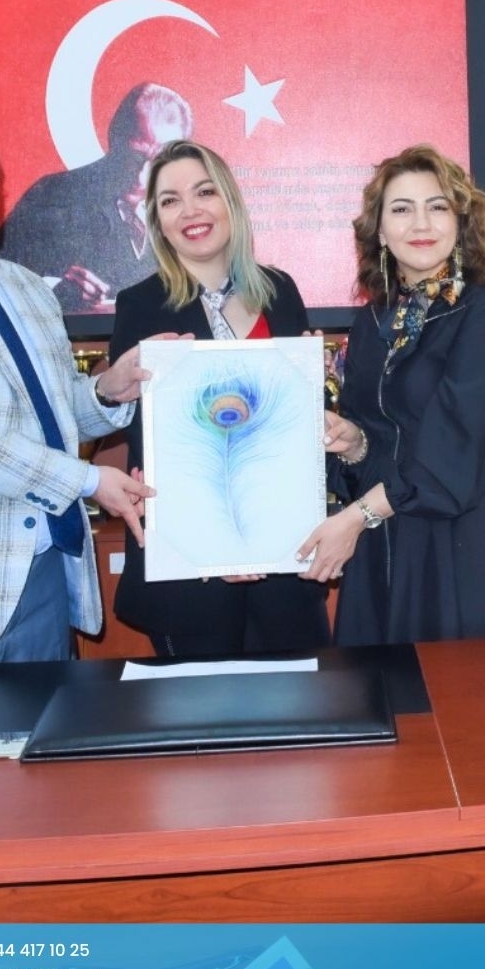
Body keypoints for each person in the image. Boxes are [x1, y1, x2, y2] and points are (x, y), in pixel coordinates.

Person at [0, 114, 153, 667]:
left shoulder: (28, 289)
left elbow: (51, 412)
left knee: (43, 725)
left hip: (45, 573)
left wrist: (107, 391)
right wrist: (89, 481)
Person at [298, 144, 485, 646]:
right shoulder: (371, 322)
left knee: (469, 692)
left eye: (437, 206)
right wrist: (354, 443)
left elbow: (454, 449)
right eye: (401, 209)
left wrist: (356, 517)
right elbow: (381, 438)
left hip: (466, 538)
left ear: (460, 222)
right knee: (385, 688)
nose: (421, 223)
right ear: (379, 231)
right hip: (387, 537)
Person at [109, 139, 330, 657]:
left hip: (284, 565)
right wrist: (219, 543)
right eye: (170, 200)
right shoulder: (140, 305)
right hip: (191, 577)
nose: (190, 210)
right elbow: (156, 443)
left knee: (301, 704)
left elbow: (296, 432)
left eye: (204, 192)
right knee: (201, 708)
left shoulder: (280, 291)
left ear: (230, 200)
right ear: (157, 221)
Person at [0, 82, 193, 312]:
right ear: (114, 138)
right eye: (134, 157)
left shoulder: (191, 212)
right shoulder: (50, 197)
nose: (141, 177)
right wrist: (53, 290)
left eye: (159, 161)